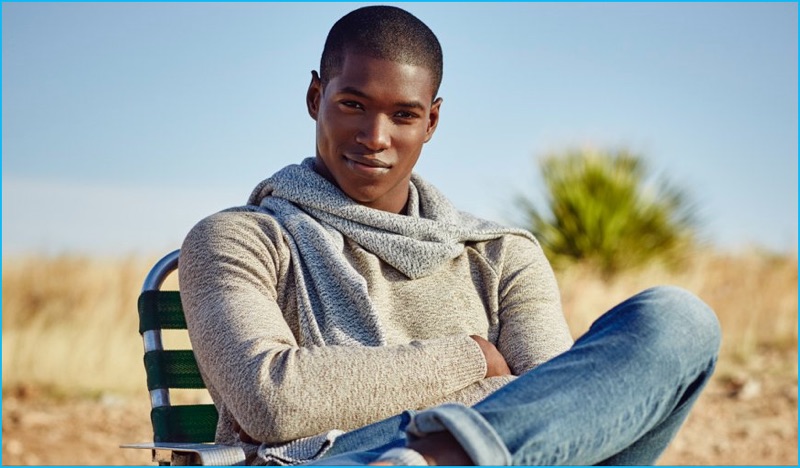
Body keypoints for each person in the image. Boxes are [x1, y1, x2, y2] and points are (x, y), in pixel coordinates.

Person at [179, 5, 721, 466]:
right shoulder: (237, 239)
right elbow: (274, 401)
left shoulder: (502, 254)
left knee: (679, 321)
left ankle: (434, 459)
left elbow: (559, 407)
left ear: (432, 122)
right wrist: (473, 357)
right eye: (353, 105)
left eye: (404, 115)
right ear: (314, 97)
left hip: (503, 457)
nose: (375, 137)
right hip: (342, 458)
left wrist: (425, 424)